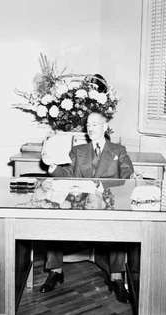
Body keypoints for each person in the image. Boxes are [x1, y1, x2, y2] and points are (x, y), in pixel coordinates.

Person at [40, 110, 134, 303]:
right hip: (79, 202)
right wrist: (52, 168)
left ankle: (116, 277)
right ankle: (56, 271)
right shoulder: (78, 151)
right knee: (54, 217)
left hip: (108, 202)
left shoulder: (119, 150)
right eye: (88, 125)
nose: (90, 128)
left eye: (95, 124)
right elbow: (67, 173)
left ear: (105, 127)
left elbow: (127, 176)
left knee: (120, 223)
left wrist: (103, 185)